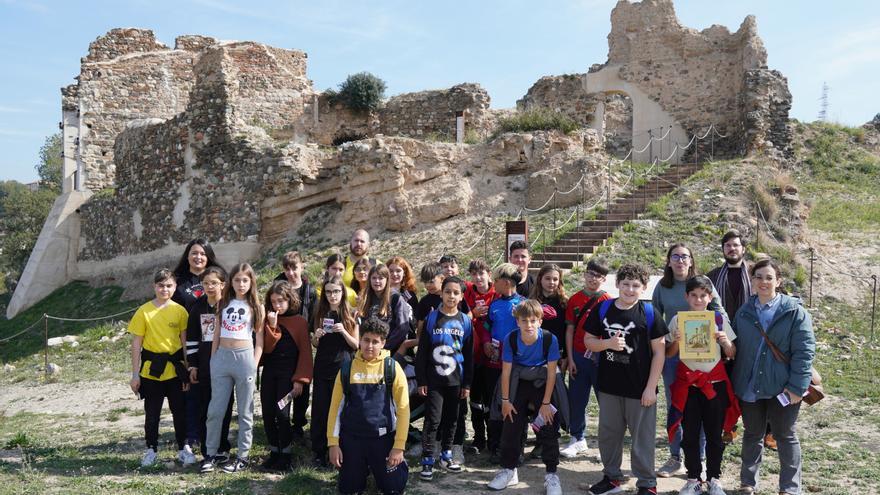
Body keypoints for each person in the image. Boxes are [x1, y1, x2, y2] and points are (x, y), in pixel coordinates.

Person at [730, 259, 815, 495]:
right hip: (749, 385)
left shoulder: (794, 311)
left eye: (769, 277)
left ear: (778, 281)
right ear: (752, 281)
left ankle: (789, 488)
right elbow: (735, 345)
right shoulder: (744, 311)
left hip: (783, 388)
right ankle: (748, 483)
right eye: (758, 277)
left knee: (785, 436)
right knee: (752, 434)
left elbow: (805, 351)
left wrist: (797, 387)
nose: (763, 282)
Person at [584, 263, 668, 495]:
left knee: (642, 438)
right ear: (617, 284)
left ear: (644, 288)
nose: (630, 290)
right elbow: (588, 341)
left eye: (635, 286)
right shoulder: (603, 309)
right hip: (609, 386)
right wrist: (607, 344)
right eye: (626, 284)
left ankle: (647, 483)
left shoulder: (649, 313)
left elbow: (660, 352)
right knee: (609, 434)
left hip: (640, 388)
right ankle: (612, 477)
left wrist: (651, 388)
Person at [652, 243, 726, 477]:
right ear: (669, 261)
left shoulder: (703, 283)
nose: (680, 260)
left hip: (702, 355)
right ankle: (675, 457)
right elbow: (654, 318)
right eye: (675, 256)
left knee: (701, 404)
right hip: (674, 354)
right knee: (676, 404)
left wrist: (723, 336)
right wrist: (663, 344)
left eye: (685, 256)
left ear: (691, 260)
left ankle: (700, 458)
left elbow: (719, 311)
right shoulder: (663, 286)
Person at [665, 275, 739, 495]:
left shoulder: (717, 319)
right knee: (689, 434)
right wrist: (677, 341)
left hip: (713, 385)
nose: (698, 300)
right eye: (694, 295)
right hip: (689, 386)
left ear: (710, 297)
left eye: (703, 296)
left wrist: (725, 341)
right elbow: (669, 354)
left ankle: (714, 478)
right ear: (686, 296)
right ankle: (693, 478)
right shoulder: (678, 320)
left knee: (714, 435)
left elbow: (732, 353)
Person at [487, 300, 565, 495]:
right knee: (511, 423)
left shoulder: (549, 339)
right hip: (519, 380)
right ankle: (509, 470)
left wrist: (546, 403)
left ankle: (551, 474)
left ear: (540, 321)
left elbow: (551, 373)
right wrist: (505, 401)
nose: (528, 325)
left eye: (533, 320)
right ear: (517, 321)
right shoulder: (511, 339)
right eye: (524, 320)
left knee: (548, 425)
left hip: (542, 381)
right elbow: (506, 372)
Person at [327, 316, 410, 495]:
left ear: (383, 343)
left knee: (393, 488)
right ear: (360, 339)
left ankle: (390, 467)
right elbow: (335, 408)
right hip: (352, 439)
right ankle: (360, 469)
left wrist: (399, 447)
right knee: (349, 489)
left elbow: (403, 410)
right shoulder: (347, 369)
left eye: (375, 342)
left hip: (383, 439)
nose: (369, 346)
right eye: (366, 340)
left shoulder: (392, 368)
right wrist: (333, 444)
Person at [201, 263, 265, 473]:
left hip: (244, 359)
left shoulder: (257, 306)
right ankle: (210, 454)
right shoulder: (223, 303)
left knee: (245, 411)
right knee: (215, 410)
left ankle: (243, 456)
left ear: (251, 282)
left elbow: (260, 341)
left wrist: (253, 364)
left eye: (245, 280)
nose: (241, 284)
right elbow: (215, 335)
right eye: (237, 280)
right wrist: (213, 360)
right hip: (222, 359)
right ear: (231, 282)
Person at [129, 268, 192, 467]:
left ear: (174, 287)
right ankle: (151, 449)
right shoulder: (144, 311)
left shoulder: (180, 311)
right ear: (154, 286)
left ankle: (183, 448)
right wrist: (135, 374)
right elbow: (136, 344)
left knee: (180, 412)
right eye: (160, 285)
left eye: (169, 286)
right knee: (152, 413)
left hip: (175, 371)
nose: (164, 289)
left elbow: (184, 343)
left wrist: (187, 370)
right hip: (151, 371)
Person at [415, 276, 473, 480]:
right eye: (448, 291)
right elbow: (422, 351)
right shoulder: (432, 318)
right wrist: (422, 379)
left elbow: (469, 354)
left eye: (456, 292)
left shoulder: (465, 320)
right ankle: (428, 459)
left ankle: (446, 455)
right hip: (434, 381)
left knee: (452, 419)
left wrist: (467, 383)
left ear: (461, 296)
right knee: (433, 420)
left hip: (456, 380)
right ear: (441, 292)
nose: (451, 296)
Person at [173, 239, 222, 452]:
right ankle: (190, 437)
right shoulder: (178, 281)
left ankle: (213, 437)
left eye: (202, 253)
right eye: (194, 253)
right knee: (189, 393)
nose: (198, 257)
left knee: (213, 394)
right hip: (185, 341)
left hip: (214, 343)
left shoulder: (218, 276)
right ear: (187, 255)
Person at [260, 281, 313, 472]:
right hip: (269, 373)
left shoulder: (299, 321)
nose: (277, 306)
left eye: (281, 301)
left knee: (282, 414)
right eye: (273, 302)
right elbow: (266, 348)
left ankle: (286, 455)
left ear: (290, 300)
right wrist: (272, 327)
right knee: (267, 414)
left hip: (288, 375)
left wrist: (300, 380)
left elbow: (306, 353)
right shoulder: (268, 319)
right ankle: (274, 452)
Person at [561, 259, 611, 459]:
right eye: (590, 273)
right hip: (579, 356)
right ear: (584, 274)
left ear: (604, 279)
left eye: (598, 275)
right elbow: (570, 330)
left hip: (601, 358)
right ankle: (577, 438)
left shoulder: (608, 301)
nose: (593, 278)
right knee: (577, 399)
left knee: (606, 402)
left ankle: (607, 443)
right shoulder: (574, 300)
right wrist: (571, 358)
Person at [185, 266, 234, 465]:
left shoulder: (231, 305)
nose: (209, 287)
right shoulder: (197, 307)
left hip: (228, 365)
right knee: (206, 408)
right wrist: (193, 366)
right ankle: (208, 450)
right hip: (205, 366)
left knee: (225, 408)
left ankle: (223, 447)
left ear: (223, 284)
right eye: (206, 283)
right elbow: (191, 340)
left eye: (214, 283)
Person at [310, 275, 359, 468]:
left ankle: (341, 450)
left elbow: (356, 344)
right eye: (329, 292)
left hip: (343, 366)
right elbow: (314, 343)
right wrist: (317, 336)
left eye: (336, 291)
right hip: (322, 366)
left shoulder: (350, 313)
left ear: (342, 292)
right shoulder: (319, 313)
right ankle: (318, 451)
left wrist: (343, 331)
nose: (332, 295)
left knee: (341, 408)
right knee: (320, 409)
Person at [273, 251, 318, 439]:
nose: (291, 272)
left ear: (302, 266)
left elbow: (315, 315)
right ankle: (281, 420)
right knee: (283, 384)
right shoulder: (279, 286)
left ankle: (298, 424)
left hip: (303, 341)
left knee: (303, 385)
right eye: (287, 269)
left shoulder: (310, 290)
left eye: (295, 268)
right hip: (282, 343)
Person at [484, 263, 526, 457]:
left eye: (496, 281)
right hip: (494, 363)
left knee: (516, 406)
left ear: (506, 282)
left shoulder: (524, 304)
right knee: (495, 405)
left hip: (517, 366)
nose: (493, 284)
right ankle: (494, 445)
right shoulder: (494, 304)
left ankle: (517, 446)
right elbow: (486, 327)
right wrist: (486, 343)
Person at [463, 259, 498, 455]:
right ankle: (478, 438)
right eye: (474, 274)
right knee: (475, 399)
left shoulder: (498, 293)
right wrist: (472, 313)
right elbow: (461, 316)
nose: (478, 277)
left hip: (493, 355)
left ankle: (494, 437)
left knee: (491, 398)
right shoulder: (467, 293)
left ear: (489, 274)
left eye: (481, 273)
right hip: (472, 354)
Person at [358, 263, 414, 356]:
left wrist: (385, 346)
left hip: (392, 350)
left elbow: (402, 327)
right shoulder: (365, 299)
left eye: (381, 278)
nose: (377, 281)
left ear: (387, 280)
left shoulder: (396, 298)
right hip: (370, 350)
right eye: (374, 278)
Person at [529, 264, 568, 373]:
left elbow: (567, 331)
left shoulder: (564, 303)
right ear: (540, 279)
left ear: (559, 281)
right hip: (535, 352)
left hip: (557, 353)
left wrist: (565, 356)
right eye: (547, 278)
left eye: (555, 279)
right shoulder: (531, 302)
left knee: (555, 386)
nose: (551, 282)